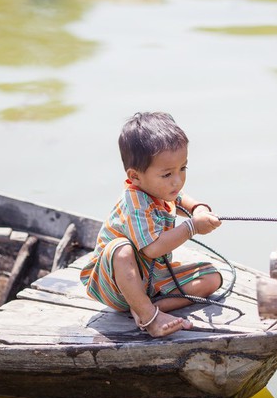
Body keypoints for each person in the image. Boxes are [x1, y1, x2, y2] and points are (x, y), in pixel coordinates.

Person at [80, 112, 223, 337]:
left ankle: (146, 307)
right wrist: (192, 227)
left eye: (183, 169)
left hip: (152, 276)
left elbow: (180, 198)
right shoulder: (135, 202)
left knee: (212, 277)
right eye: (167, 174)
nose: (177, 180)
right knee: (122, 250)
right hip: (115, 281)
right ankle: (149, 316)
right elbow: (153, 248)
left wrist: (198, 209)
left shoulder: (159, 188)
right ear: (135, 176)